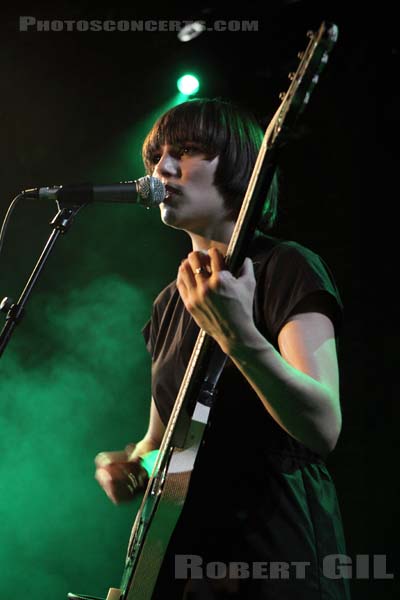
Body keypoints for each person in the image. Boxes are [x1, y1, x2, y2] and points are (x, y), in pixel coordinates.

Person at [95, 98, 351, 598]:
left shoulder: (286, 266)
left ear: (236, 165)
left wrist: (239, 336)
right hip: (189, 569)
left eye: (186, 152)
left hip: (276, 557)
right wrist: (134, 466)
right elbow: (165, 445)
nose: (162, 168)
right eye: (155, 158)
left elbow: (323, 427)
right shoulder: (170, 303)